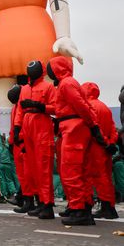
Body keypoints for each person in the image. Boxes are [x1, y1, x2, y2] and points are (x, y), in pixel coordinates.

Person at [46, 56, 103, 226]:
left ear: (58, 69)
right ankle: (83, 207)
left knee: (71, 170)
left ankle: (80, 210)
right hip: (74, 126)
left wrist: (93, 125)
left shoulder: (66, 83)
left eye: (52, 69)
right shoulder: (67, 83)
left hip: (73, 128)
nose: (50, 72)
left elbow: (80, 105)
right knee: (79, 171)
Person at [17, 60, 56, 219]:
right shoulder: (24, 89)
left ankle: (47, 205)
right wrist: (17, 129)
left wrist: (40, 106)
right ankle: (40, 202)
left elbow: (56, 107)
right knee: (32, 168)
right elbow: (20, 110)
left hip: (42, 124)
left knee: (44, 167)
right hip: (28, 125)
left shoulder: (48, 87)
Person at [82, 82, 119, 219]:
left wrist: (103, 141)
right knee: (106, 177)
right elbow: (113, 128)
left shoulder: (89, 107)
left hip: (95, 147)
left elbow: (94, 128)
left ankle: (106, 208)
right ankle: (110, 206)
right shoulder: (105, 107)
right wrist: (111, 143)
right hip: (106, 148)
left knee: (97, 178)